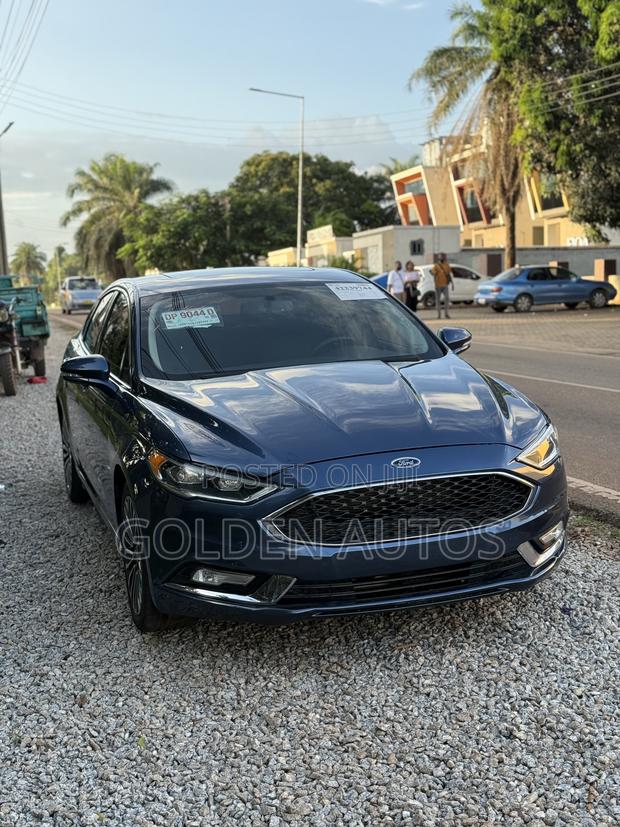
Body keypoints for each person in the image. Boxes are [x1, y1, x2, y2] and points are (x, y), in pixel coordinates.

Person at [431, 253, 454, 319]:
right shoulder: (436, 266)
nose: (441, 258)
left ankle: (446, 313)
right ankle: (439, 314)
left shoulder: (447, 265)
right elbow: (432, 273)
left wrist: (452, 283)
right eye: (440, 257)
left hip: (445, 284)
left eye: (442, 257)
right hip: (438, 285)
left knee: (446, 298)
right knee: (438, 300)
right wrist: (434, 273)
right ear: (438, 258)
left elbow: (449, 274)